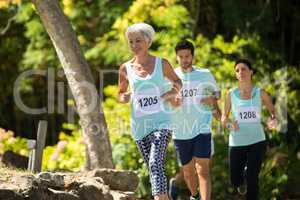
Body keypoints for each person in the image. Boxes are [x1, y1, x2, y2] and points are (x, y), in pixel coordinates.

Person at [118, 22, 182, 200]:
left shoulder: (162, 64)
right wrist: (124, 97)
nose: (134, 45)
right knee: (154, 167)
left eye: (138, 40)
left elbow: (178, 82)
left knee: (155, 163)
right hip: (139, 125)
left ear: (148, 41)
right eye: (131, 42)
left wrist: (170, 93)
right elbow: (121, 93)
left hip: (162, 122)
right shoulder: (125, 68)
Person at [169, 40, 221, 200]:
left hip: (202, 128)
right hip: (180, 131)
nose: (184, 59)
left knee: (203, 169)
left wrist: (211, 99)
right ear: (177, 57)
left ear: (192, 56)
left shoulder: (204, 74)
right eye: (181, 56)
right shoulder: (171, 77)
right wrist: (173, 101)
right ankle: (194, 194)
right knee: (188, 172)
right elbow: (166, 101)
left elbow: (216, 94)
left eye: (187, 56)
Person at [221, 59, 278, 200]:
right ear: (235, 75)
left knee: (253, 178)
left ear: (251, 72)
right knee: (235, 179)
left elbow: (273, 111)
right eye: (237, 70)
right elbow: (223, 118)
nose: (241, 72)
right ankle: (241, 180)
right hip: (237, 141)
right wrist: (229, 125)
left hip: (257, 140)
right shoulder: (231, 94)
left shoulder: (261, 93)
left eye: (244, 69)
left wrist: (273, 119)